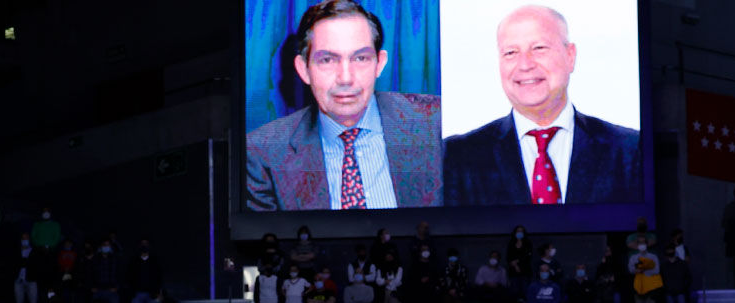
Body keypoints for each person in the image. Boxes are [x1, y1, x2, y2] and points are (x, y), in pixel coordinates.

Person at [244, 0, 442, 211]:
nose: (346, 78)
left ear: (379, 64)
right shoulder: (262, 153)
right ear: (303, 70)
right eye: (328, 60)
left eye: (360, 58)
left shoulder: (437, 123)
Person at [442, 5, 641, 206]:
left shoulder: (630, 149)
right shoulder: (456, 156)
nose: (525, 64)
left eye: (539, 48)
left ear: (570, 56)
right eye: (511, 52)